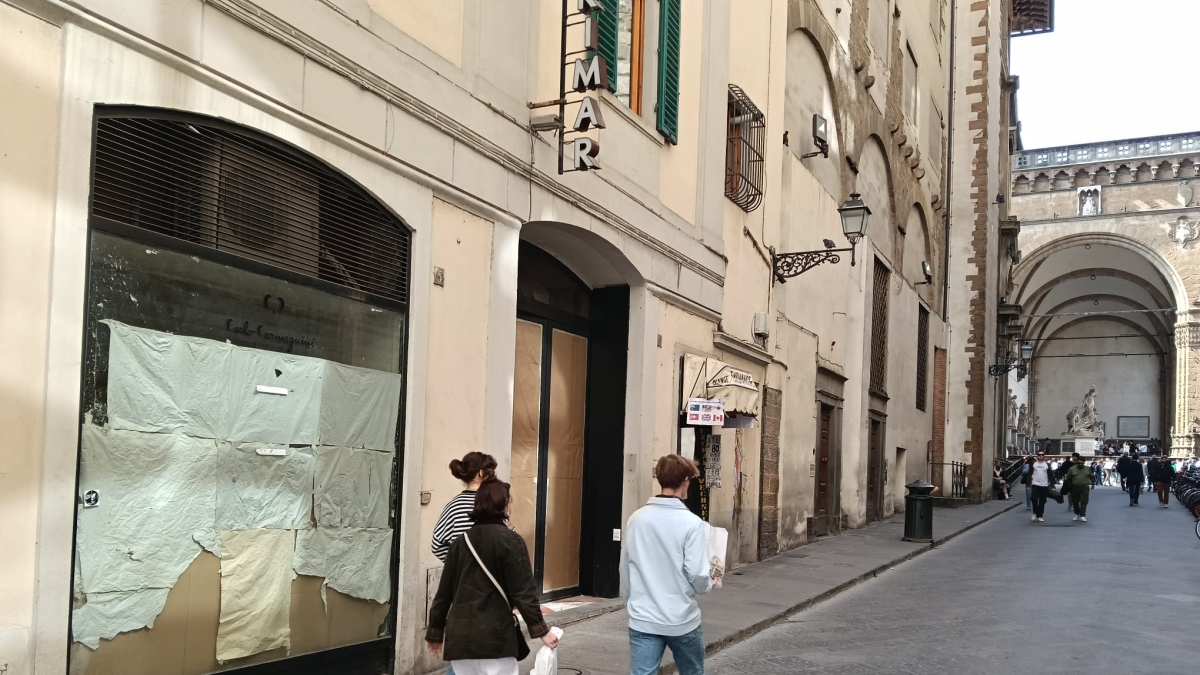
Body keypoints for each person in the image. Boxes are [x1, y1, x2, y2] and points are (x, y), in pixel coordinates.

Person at [426, 479, 558, 675]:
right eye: (508, 502)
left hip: (460, 638)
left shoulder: (460, 543)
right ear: (502, 504)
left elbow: (444, 594)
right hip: (496, 637)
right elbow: (524, 592)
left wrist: (435, 632)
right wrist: (541, 631)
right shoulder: (512, 542)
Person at [621, 455, 715, 675]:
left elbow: (625, 568)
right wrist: (710, 582)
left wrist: (631, 602)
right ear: (685, 480)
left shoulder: (636, 519)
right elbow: (698, 574)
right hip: (681, 618)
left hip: (644, 617)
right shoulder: (692, 524)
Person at [432, 452, 498, 562]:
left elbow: (437, 545)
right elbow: (508, 540)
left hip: (462, 572)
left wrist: (457, 564)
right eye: (490, 473)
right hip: (492, 570)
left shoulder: (453, 505)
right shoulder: (495, 503)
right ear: (481, 473)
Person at [1066, 455, 1093, 522]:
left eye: (1081, 463)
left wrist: (1093, 484)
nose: (1080, 464)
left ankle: (1082, 515)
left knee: (1084, 501)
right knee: (1075, 501)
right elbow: (1068, 478)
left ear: (1084, 462)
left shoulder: (1088, 469)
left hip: (1085, 486)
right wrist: (1068, 487)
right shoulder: (1072, 469)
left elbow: (1092, 476)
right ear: (1076, 462)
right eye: (1079, 463)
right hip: (1074, 486)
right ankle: (1076, 513)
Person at [1029, 451, 1052, 523]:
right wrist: (1028, 484)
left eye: (1042, 454)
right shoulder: (1033, 464)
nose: (1041, 456)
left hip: (1044, 485)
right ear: (1037, 456)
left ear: (1044, 456)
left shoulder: (1047, 465)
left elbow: (1050, 475)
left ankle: (1040, 515)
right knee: (1034, 499)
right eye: (1039, 454)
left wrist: (1052, 484)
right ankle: (1035, 512)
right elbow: (1030, 474)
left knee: (1042, 501)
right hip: (1035, 483)